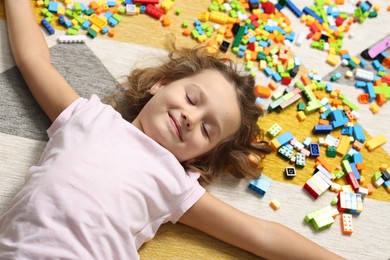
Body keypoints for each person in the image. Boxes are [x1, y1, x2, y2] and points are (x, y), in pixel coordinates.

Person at [0, 1, 343, 259]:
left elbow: (262, 234)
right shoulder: (87, 116)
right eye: (193, 98)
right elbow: (34, 61)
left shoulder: (175, 182)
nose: (192, 118)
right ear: (160, 84)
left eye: (208, 130)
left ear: (201, 156)